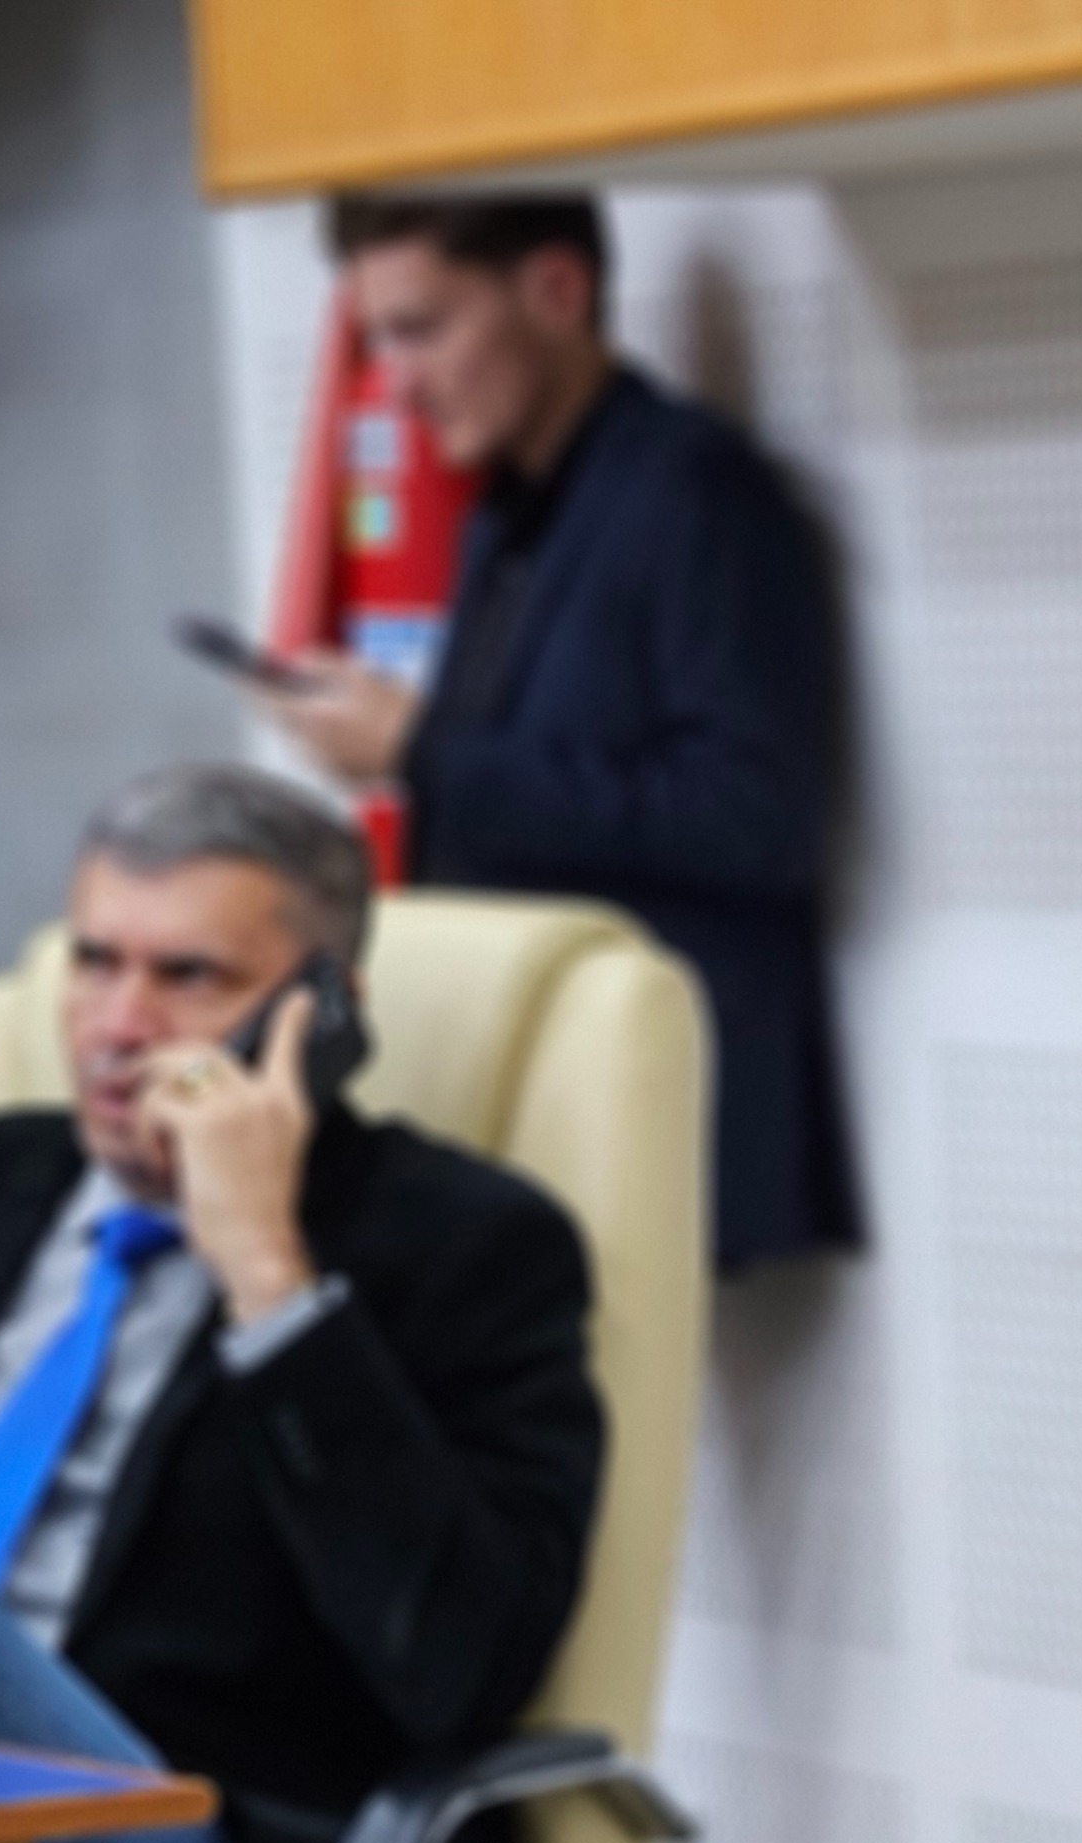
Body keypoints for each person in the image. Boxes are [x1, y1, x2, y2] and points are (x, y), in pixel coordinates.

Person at [0, 766, 607, 1843]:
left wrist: (267, 1280)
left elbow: (461, 1664)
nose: (118, 1025)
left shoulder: (465, 1251)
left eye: (187, 977)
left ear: (321, 1009)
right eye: (94, 962)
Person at [258, 190, 864, 1272]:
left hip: (649, 1097)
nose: (397, 382)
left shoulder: (693, 488)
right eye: (379, 340)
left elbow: (755, 814)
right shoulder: (509, 503)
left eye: (422, 328)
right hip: (533, 1072)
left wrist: (419, 750)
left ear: (557, 290)